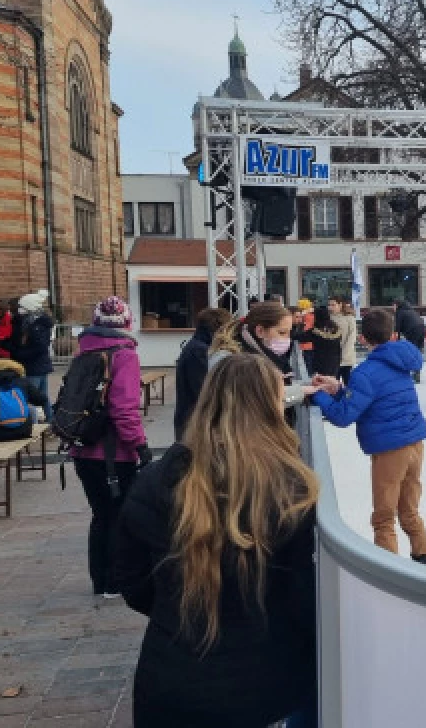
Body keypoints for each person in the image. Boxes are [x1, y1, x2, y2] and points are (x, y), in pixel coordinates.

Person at [116, 353, 319, 727]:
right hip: (264, 686)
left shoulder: (153, 482)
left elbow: (130, 579)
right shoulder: (292, 491)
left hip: (169, 679)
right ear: (269, 407)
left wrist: (176, 608)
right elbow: (304, 600)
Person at [311, 309, 426, 565]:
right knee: (409, 509)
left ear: (363, 339)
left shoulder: (365, 372)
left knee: (384, 516)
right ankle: (423, 558)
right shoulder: (399, 362)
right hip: (414, 444)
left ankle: (389, 570)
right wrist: (340, 389)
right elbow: (376, 395)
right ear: (393, 334)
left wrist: (318, 395)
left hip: (390, 449)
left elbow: (343, 416)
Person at [67, 297, 151, 597]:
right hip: (114, 452)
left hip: (82, 447)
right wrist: (139, 445)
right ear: (127, 323)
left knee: (100, 515)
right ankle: (115, 581)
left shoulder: (83, 351)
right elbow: (124, 409)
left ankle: (100, 580)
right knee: (119, 516)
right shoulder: (123, 355)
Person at [209, 302, 316, 417]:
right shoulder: (229, 359)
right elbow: (251, 399)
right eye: (282, 333)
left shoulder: (263, 354)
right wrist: (301, 391)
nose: (288, 339)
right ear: (260, 331)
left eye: (290, 333)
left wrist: (310, 383)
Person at [173, 307, 231, 440]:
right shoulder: (199, 351)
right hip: (195, 422)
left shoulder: (196, 346)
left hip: (191, 418)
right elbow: (203, 389)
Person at [9, 288, 54, 420]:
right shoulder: (31, 322)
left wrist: (20, 354)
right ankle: (51, 421)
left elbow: (39, 347)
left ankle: (34, 423)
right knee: (42, 395)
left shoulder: (36, 325)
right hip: (38, 365)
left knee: (30, 396)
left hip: (34, 366)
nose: (19, 309)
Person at [393, 299, 426, 383]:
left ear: (397, 305)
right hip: (422, 328)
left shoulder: (400, 312)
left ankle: (413, 372)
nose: (393, 307)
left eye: (393, 305)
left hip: (413, 330)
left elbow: (397, 327)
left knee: (411, 351)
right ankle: (417, 372)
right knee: (417, 351)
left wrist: (396, 341)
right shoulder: (411, 310)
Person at [294, 299, 316, 374]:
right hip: (312, 343)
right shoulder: (313, 315)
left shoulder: (303, 316)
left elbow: (301, 330)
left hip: (305, 344)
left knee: (307, 364)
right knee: (311, 364)